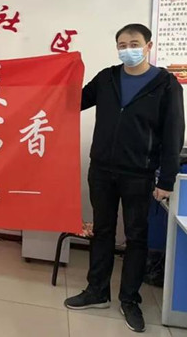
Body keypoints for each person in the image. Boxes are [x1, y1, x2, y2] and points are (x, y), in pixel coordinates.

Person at [64, 24, 185, 333]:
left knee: (136, 237)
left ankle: (129, 299)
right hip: (101, 170)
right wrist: (58, 74)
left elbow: (173, 135)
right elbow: (73, 101)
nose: (127, 49)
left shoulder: (166, 85)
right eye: (122, 44)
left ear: (148, 46)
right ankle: (97, 291)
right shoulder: (107, 78)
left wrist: (166, 180)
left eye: (134, 43)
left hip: (139, 174)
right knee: (102, 231)